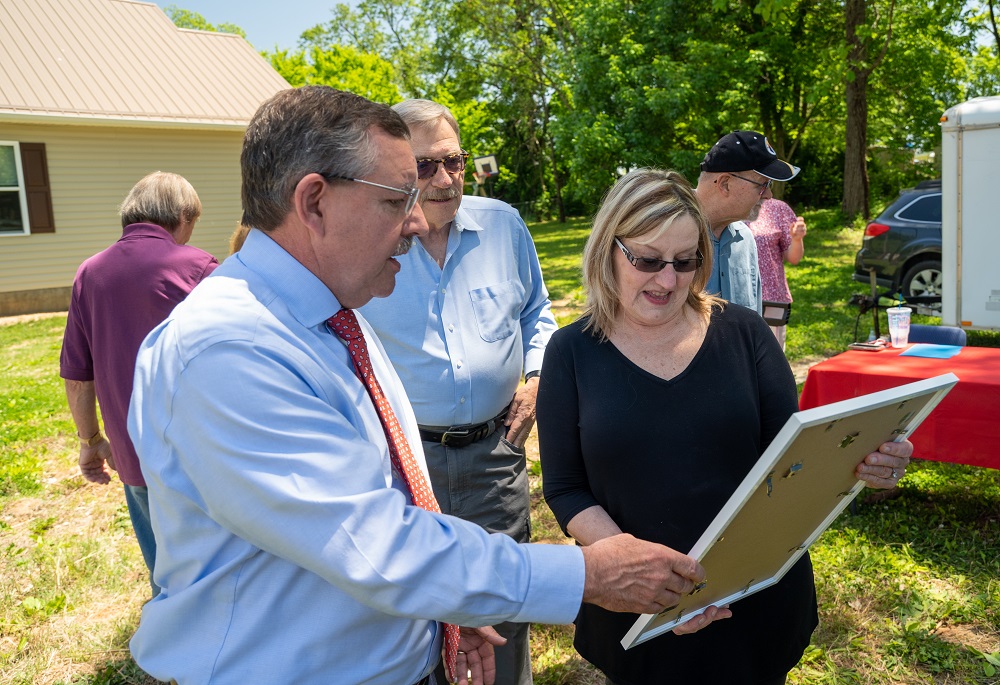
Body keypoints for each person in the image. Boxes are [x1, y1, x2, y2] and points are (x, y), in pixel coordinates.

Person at [126, 87, 725, 685]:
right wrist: (590, 577)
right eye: (397, 199)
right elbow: (374, 546)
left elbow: (381, 496)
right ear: (314, 202)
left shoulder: (329, 315)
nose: (417, 219)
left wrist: (443, 608)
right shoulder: (231, 350)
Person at [537, 168, 914, 685]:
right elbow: (565, 488)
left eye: (686, 261)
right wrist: (640, 574)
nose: (668, 280)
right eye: (647, 260)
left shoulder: (745, 333)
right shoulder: (571, 351)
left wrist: (867, 461)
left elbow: (793, 458)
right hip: (637, 605)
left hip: (752, 599)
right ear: (608, 250)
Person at [360, 99, 552, 685]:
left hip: (497, 453)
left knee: (505, 596)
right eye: (423, 168)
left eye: (454, 162)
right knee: (423, 608)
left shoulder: (503, 225)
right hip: (406, 462)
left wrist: (538, 376)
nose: (444, 180)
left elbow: (537, 312)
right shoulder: (369, 241)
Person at [60, 171, 218, 597]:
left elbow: (78, 374)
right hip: (199, 452)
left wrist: (89, 439)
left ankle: (172, 651)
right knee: (217, 572)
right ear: (183, 216)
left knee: (163, 572)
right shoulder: (199, 267)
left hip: (133, 453)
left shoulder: (89, 273)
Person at [694, 130, 800, 314]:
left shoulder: (745, 239)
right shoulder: (666, 233)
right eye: (762, 185)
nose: (769, 195)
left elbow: (753, 321)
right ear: (725, 184)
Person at [749, 199, 807, 349]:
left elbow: (794, 258)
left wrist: (796, 239)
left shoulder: (778, 208)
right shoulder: (727, 205)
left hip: (772, 298)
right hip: (734, 297)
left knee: (772, 356)